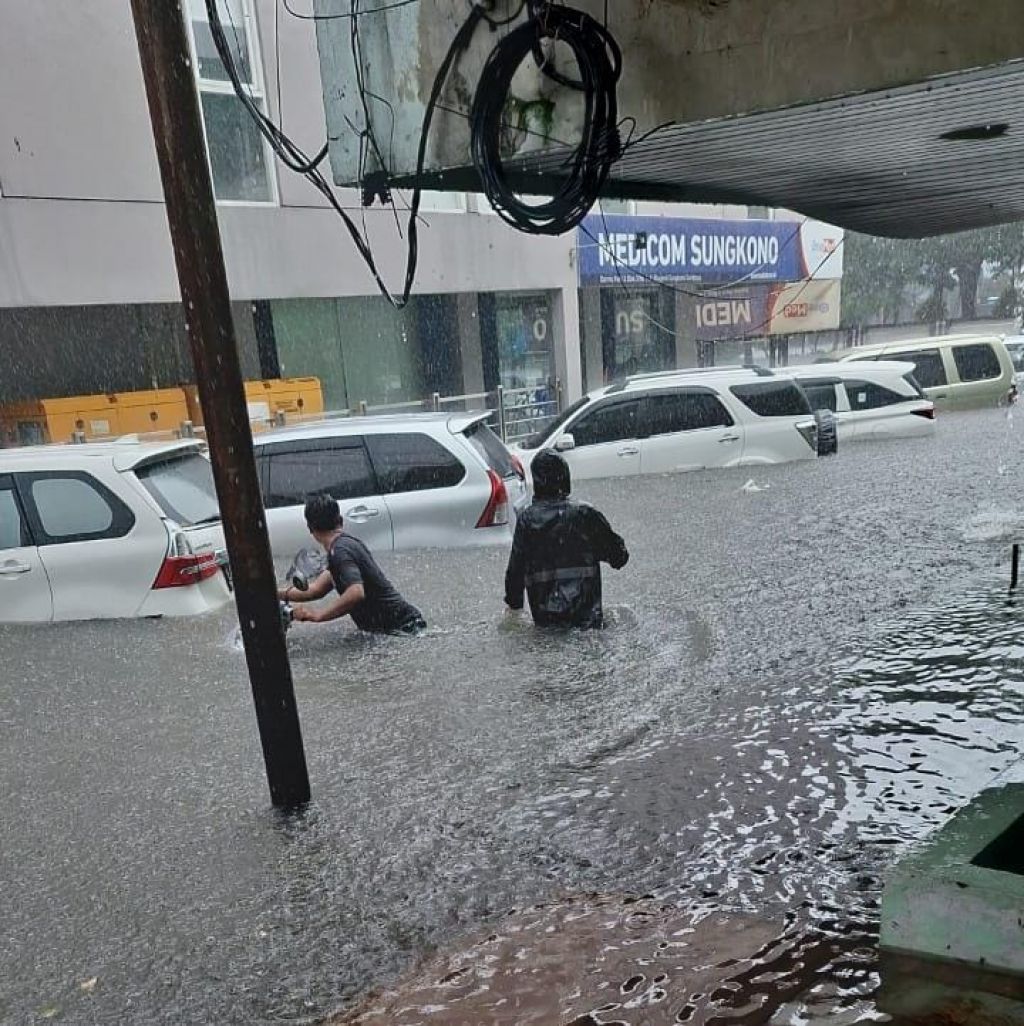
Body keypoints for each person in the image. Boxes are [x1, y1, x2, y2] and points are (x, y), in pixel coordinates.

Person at [504, 449, 629, 628]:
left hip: (547, 625)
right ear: (565, 477)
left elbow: (515, 574)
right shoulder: (585, 514)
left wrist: (514, 606)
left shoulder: (527, 520)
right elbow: (619, 557)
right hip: (587, 623)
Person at [278, 493, 426, 634]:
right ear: (340, 520)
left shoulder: (340, 551)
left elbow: (355, 593)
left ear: (310, 528)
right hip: (405, 625)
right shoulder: (344, 546)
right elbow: (316, 590)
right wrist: (275, 594)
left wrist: (319, 615)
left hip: (404, 628)